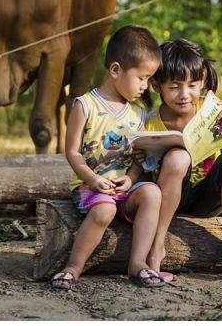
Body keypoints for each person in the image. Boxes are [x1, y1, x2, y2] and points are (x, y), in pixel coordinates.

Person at [51, 25, 166, 290]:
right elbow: (72, 152)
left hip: (124, 189)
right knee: (105, 210)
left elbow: (137, 156)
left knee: (152, 194)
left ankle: (137, 265)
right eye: (141, 78)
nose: (145, 86)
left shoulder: (138, 113)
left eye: (148, 79)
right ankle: (73, 267)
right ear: (115, 70)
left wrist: (131, 177)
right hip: (91, 187)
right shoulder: (85, 105)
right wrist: (92, 180)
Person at [143, 38, 222, 284]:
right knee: (177, 157)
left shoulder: (211, 112)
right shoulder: (150, 123)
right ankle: (157, 247)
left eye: (192, 85)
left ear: (202, 82)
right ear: (156, 85)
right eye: (174, 87)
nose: (185, 95)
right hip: (171, 197)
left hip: (208, 197)